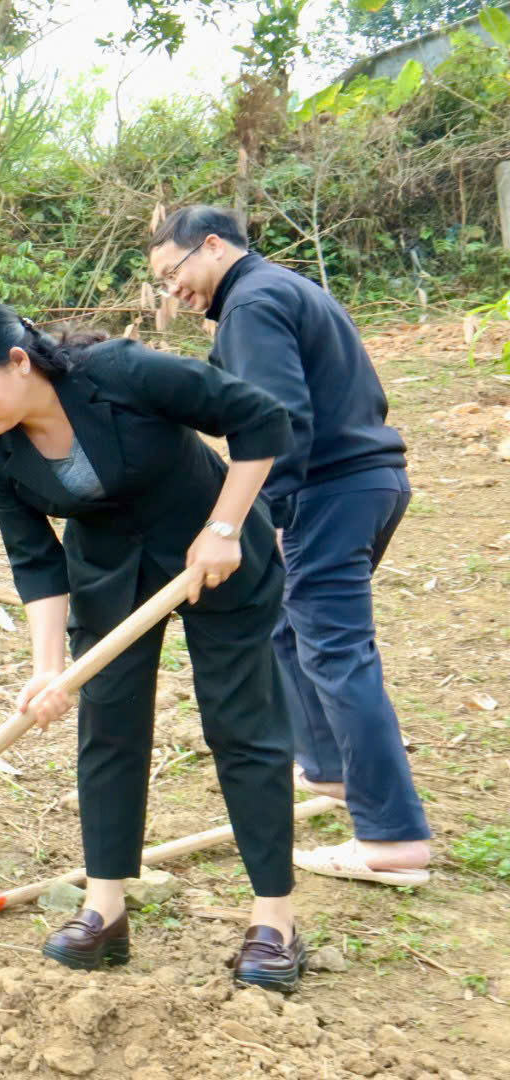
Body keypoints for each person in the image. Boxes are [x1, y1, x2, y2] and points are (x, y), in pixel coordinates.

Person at [0, 297, 305, 991]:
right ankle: (105, 912)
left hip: (213, 551)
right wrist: (47, 671)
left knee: (239, 723)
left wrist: (223, 528)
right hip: (108, 574)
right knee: (108, 728)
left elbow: (259, 420)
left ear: (17, 360)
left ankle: (274, 921)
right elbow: (33, 557)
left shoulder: (122, 373)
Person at [148, 206, 430, 887]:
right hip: (364, 484)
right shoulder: (281, 289)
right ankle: (331, 771)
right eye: (162, 283)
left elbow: (278, 419)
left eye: (174, 272)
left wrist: (259, 516)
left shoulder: (252, 303)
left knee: (335, 649)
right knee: (288, 630)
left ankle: (392, 840)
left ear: (212, 246)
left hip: (332, 491)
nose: (173, 292)